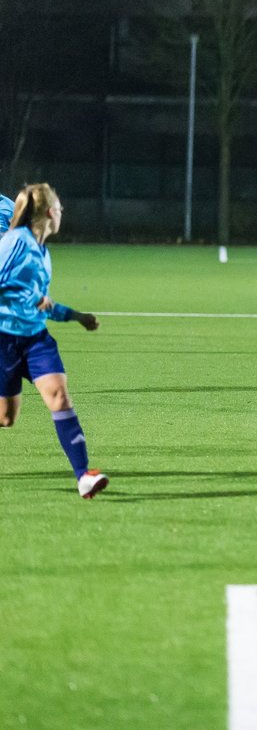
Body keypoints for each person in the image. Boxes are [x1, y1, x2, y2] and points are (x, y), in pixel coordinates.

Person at [0, 184, 107, 499]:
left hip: (35, 339)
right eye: (59, 208)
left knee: (59, 397)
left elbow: (41, 303)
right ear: (49, 213)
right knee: (6, 418)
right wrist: (25, 296)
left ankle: (83, 476)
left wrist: (77, 316)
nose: (62, 213)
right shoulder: (14, 243)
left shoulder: (42, 251)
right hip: (4, 340)